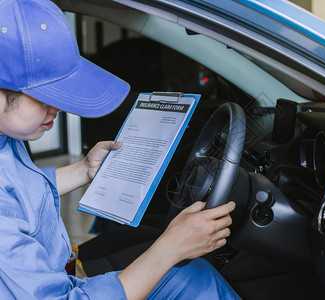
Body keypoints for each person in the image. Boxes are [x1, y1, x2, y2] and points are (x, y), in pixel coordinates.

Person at [0, 0, 240, 299]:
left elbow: (20, 192)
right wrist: (171, 247)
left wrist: (84, 169)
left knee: (196, 277)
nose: (58, 107)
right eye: (46, 96)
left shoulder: (5, 138)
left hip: (67, 277)